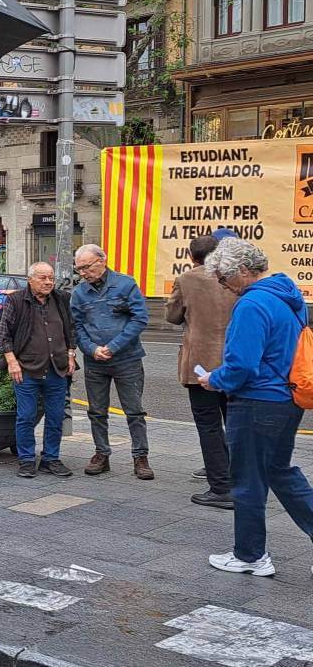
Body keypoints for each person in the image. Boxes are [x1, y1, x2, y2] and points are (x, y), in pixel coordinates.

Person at [200, 239, 313, 577]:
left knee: (247, 480)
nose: (223, 286)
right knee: (280, 472)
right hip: (286, 399)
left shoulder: (252, 304)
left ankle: (250, 555)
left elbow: (242, 366)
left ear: (244, 271)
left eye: (224, 278)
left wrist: (214, 379)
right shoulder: (288, 297)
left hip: (256, 402)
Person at [70, 244, 154, 480]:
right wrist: (91, 349)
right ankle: (101, 454)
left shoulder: (126, 284)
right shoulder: (79, 293)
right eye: (79, 269)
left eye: (86, 267)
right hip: (95, 361)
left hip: (127, 359)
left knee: (134, 410)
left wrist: (114, 347)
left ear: (102, 261)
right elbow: (76, 326)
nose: (83, 273)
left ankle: (140, 457)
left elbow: (140, 319)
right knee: (96, 411)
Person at [165, 235, 236, 509]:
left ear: (191, 256)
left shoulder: (187, 279)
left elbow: (172, 316)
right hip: (234, 362)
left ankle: (220, 487)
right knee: (235, 424)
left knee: (208, 426)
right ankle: (242, 482)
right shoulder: (234, 277)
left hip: (200, 365)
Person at [0, 262, 77, 479]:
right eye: (43, 278)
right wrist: (12, 361)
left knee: (55, 416)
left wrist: (71, 352)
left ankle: (51, 458)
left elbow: (71, 328)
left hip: (56, 369)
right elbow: (3, 335)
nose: (49, 282)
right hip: (26, 369)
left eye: (51, 278)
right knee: (26, 416)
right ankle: (27, 460)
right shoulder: (16, 300)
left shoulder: (62, 299)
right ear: (30, 279)